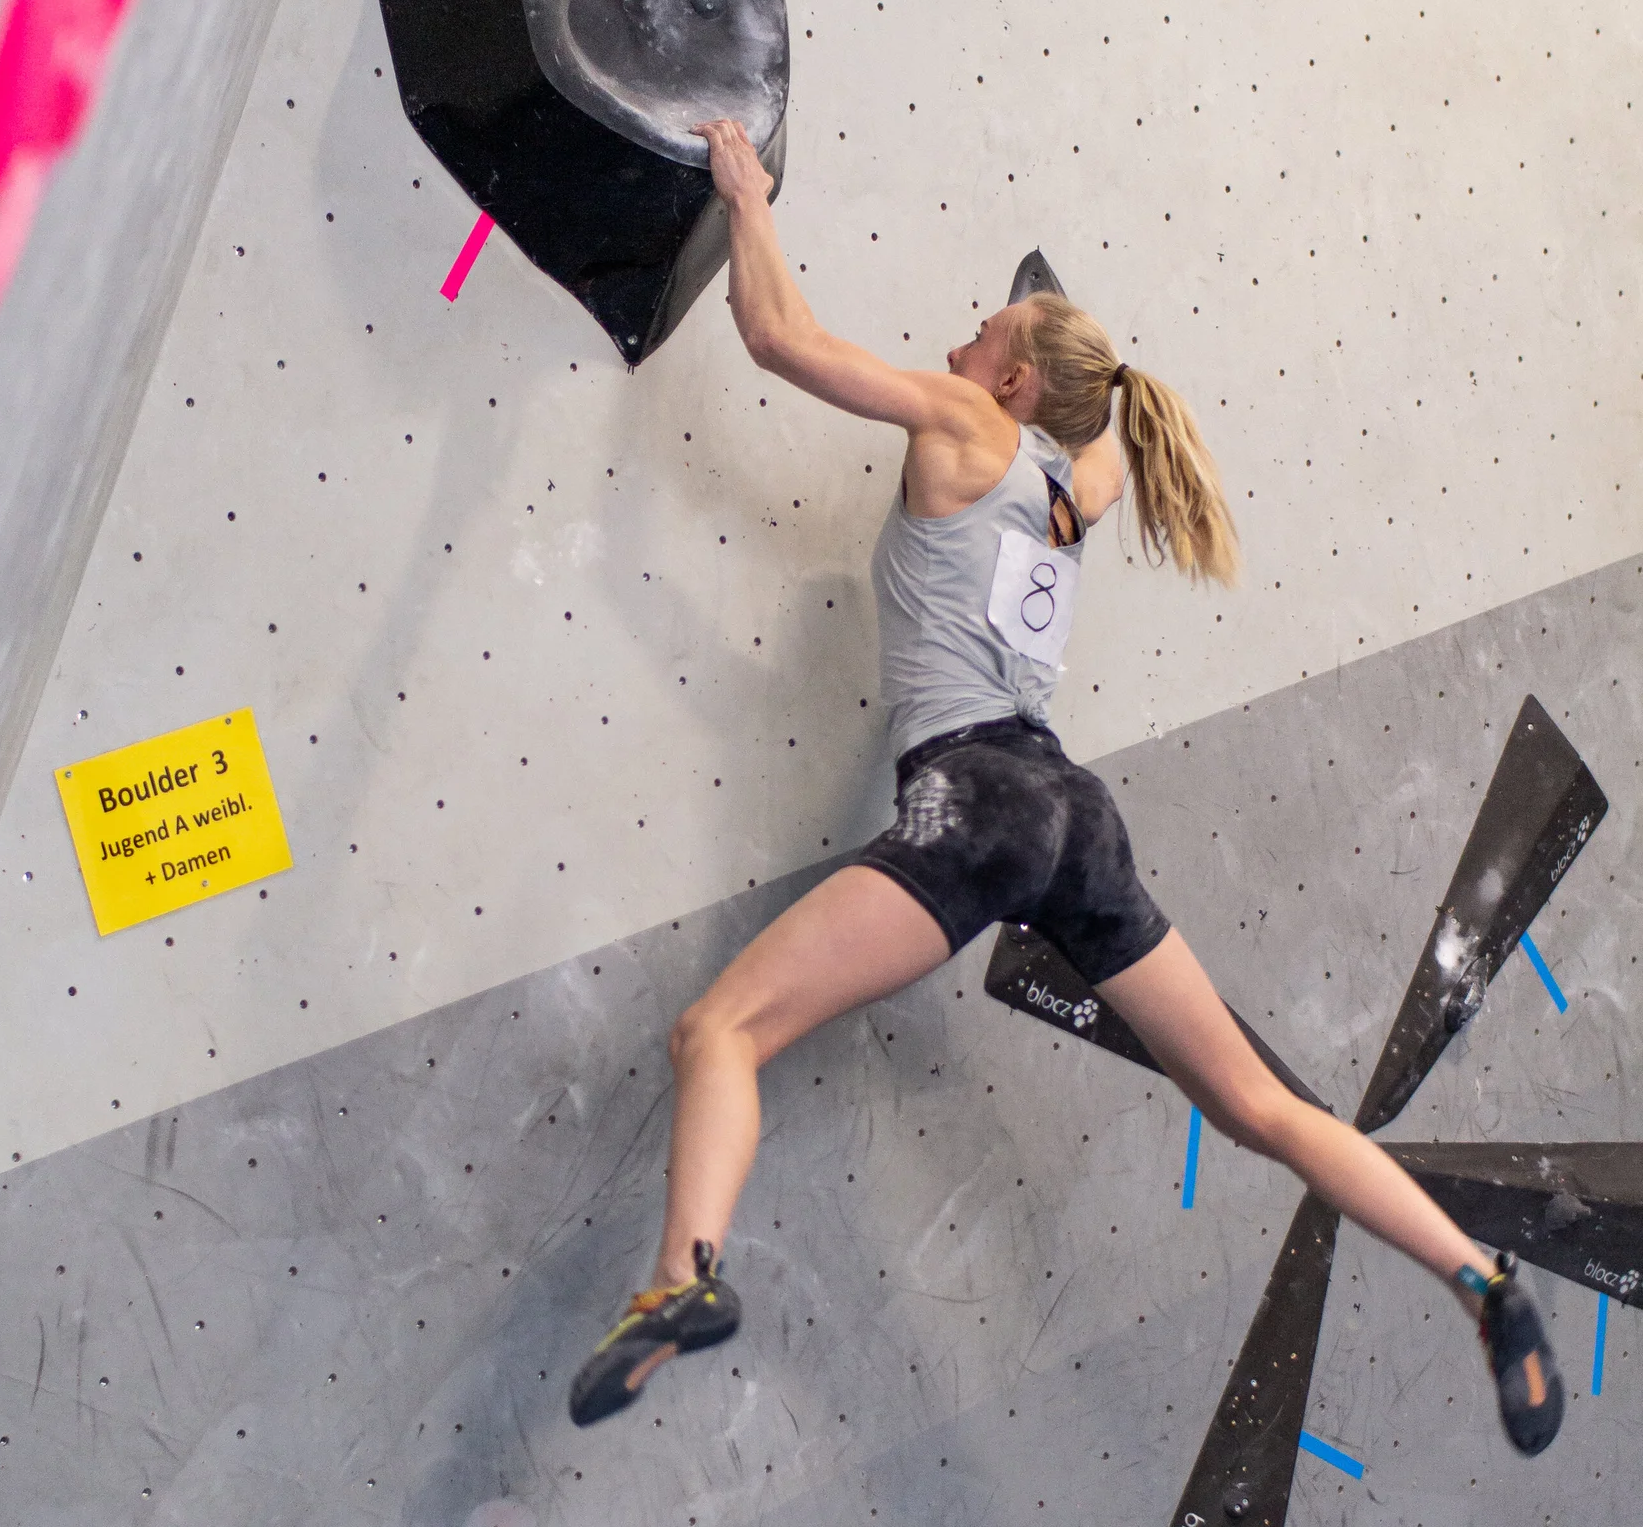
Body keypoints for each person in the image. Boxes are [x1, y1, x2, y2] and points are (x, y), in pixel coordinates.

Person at [567, 119, 1562, 1457]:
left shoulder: (971, 420)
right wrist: (1064, 320)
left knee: (720, 1034)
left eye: (984, 333)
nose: (961, 342)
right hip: (1073, 814)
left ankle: (682, 1276)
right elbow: (1106, 435)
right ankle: (1480, 1280)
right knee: (1266, 1109)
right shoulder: (1067, 491)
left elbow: (779, 335)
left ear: (1015, 382)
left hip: (975, 797)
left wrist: (745, 197)